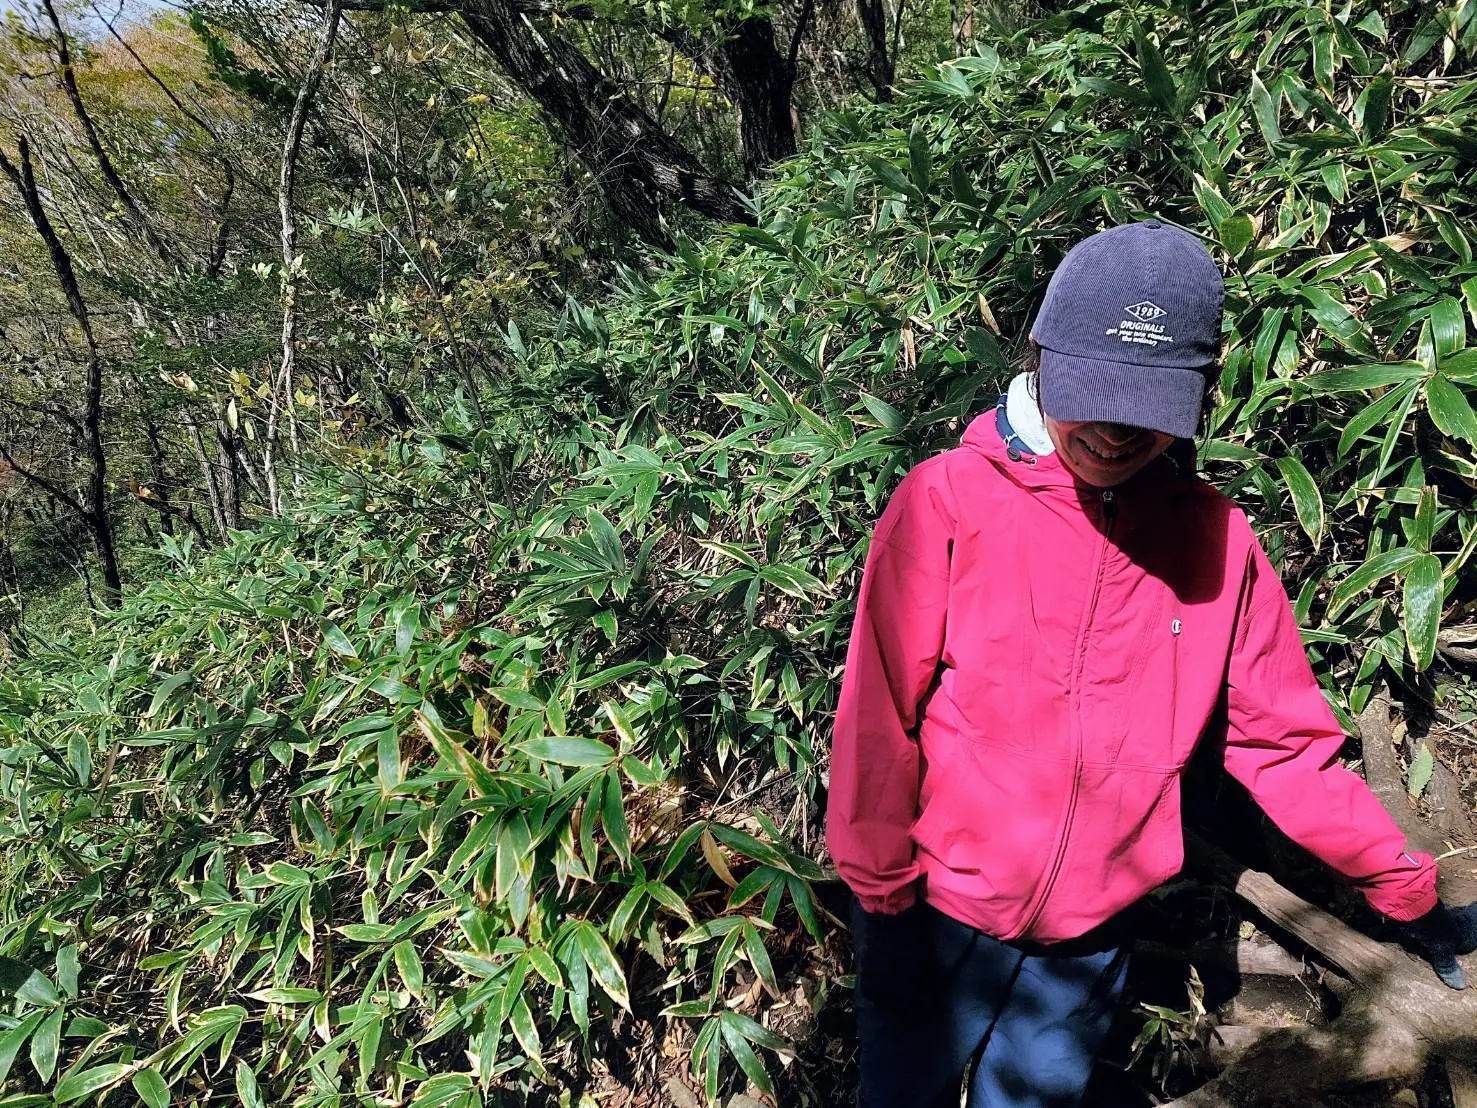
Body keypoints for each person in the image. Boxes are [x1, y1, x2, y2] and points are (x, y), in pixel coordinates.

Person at [825, 220, 1477, 1108]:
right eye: (1095, 389)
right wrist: (881, 894)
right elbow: (878, 714)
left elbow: (1282, 745)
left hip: (1092, 927)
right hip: (935, 910)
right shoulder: (946, 499)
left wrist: (1406, 892)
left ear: (1199, 393)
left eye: (1148, 403)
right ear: (1042, 352)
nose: (1115, 429)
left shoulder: (1213, 538)